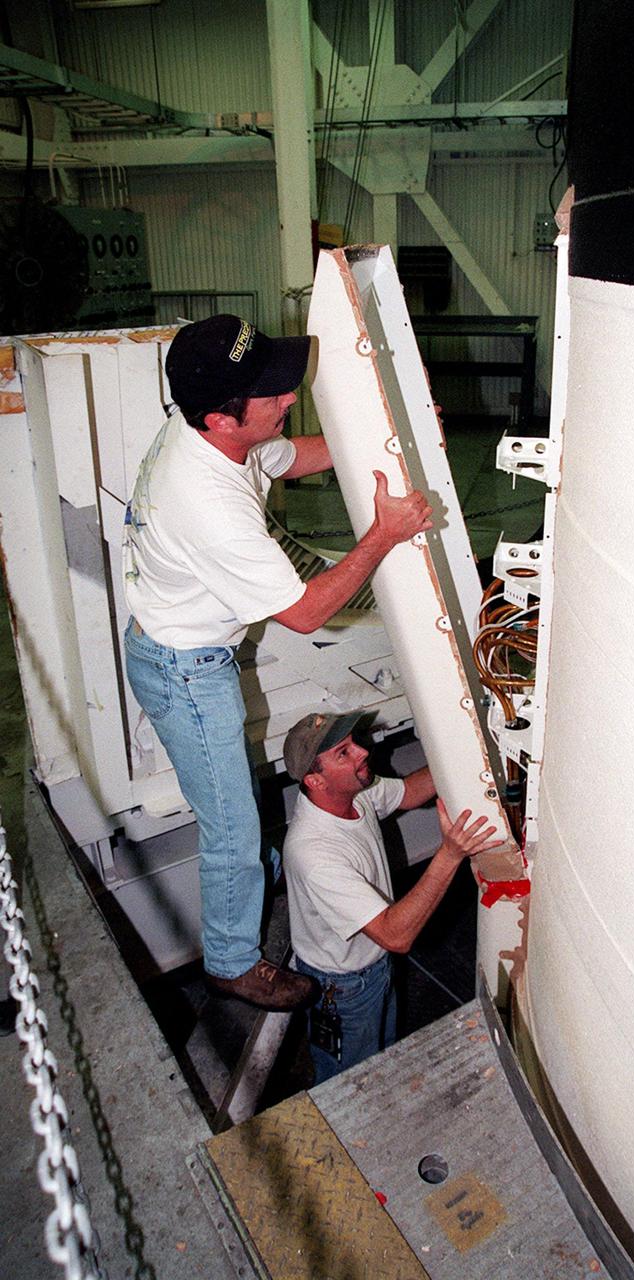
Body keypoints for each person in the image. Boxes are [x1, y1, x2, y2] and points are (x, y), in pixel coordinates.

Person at [122, 314, 432, 1012]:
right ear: (221, 417)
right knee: (230, 826)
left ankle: (249, 892)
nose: (288, 397)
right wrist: (382, 535)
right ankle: (232, 962)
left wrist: (386, 440)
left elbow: (289, 456)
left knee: (235, 816)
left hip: (177, 646)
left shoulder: (212, 439)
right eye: (270, 393)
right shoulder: (206, 502)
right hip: (186, 670)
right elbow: (303, 613)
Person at [281, 710, 502, 1082]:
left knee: (381, 1063)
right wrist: (449, 854)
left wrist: (467, 749)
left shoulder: (355, 792)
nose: (361, 753)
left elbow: (410, 792)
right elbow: (396, 936)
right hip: (344, 988)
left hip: (375, 966)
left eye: (353, 743)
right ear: (316, 781)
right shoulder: (314, 852)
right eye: (343, 753)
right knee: (348, 1084)